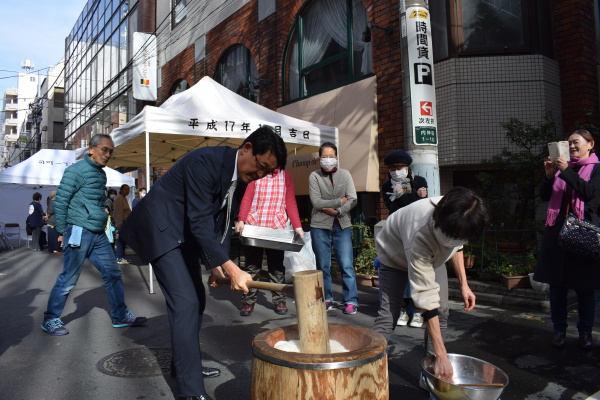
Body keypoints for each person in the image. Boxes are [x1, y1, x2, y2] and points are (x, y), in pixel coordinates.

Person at [119, 126, 287, 400]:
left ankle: (186, 367)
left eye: (266, 173)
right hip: (160, 230)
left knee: (196, 297)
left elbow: (220, 222)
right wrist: (229, 267)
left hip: (181, 235)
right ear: (246, 148)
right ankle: (190, 391)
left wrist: (217, 265)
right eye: (261, 166)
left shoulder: (241, 179)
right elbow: (199, 221)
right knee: (186, 302)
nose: (260, 175)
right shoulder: (205, 162)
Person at [373, 186, 490, 384]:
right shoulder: (420, 230)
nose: (455, 239)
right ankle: (363, 369)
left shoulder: (462, 212)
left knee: (442, 311)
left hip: (432, 256)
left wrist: (464, 284)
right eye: (451, 234)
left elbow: (456, 246)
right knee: (388, 317)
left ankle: (431, 374)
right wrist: (443, 354)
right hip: (395, 254)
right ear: (439, 220)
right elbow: (425, 298)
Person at [41, 134, 147, 336]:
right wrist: (62, 231)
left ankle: (120, 315)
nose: (108, 154)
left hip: (98, 233)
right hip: (78, 231)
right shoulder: (75, 171)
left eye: (110, 151)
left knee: (113, 273)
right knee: (69, 278)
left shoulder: (101, 174)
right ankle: (50, 319)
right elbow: (61, 201)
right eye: (104, 149)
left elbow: (96, 202)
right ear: (91, 149)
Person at [534, 129, 600, 351]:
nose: (572, 147)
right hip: (557, 235)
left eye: (576, 143)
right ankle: (559, 330)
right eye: (569, 143)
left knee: (585, 288)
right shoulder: (563, 170)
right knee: (557, 287)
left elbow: (590, 193)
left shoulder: (596, 169)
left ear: (590, 144)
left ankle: (585, 333)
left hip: (583, 234)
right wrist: (550, 176)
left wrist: (565, 172)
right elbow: (544, 196)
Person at [235, 168, 304, 316]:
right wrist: (241, 220)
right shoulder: (255, 173)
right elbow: (247, 198)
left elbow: (290, 201)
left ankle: (279, 299)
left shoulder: (285, 175)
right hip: (255, 225)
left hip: (276, 228)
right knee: (252, 266)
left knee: (277, 267)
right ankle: (248, 300)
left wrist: (297, 226)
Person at [309, 142, 359, 315]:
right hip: (319, 226)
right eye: (325, 157)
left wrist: (338, 210)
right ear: (319, 158)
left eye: (331, 157)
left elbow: (353, 198)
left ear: (337, 158)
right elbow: (317, 202)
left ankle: (351, 300)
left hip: (342, 224)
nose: (328, 160)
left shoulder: (345, 175)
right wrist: (340, 201)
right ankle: (326, 298)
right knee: (323, 265)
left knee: (346, 265)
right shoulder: (314, 176)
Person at [381, 150, 428, 328]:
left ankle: (417, 311)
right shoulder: (387, 186)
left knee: (416, 269)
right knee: (400, 268)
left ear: (407, 167)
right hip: (397, 231)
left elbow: (420, 206)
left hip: (417, 231)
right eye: (392, 168)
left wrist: (404, 196)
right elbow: (393, 208)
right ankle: (401, 308)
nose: (395, 171)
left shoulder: (419, 181)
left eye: (399, 167)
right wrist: (415, 196)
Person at [113, 184, 132, 264]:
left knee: (123, 241)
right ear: (121, 190)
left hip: (126, 222)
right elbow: (117, 212)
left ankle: (122, 257)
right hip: (122, 222)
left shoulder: (124, 198)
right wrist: (119, 224)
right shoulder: (118, 199)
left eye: (128, 189)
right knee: (121, 240)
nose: (127, 191)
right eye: (125, 189)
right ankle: (119, 257)